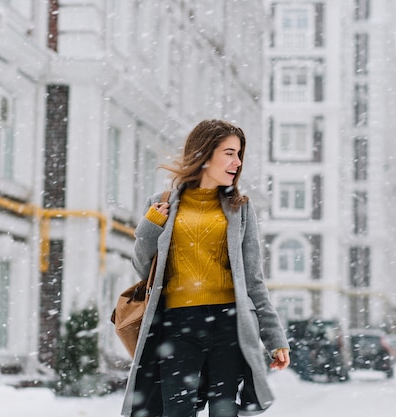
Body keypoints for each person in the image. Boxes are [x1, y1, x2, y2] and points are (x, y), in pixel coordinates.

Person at [121, 119, 290, 417]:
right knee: (176, 411)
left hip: (229, 324)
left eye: (239, 155)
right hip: (178, 325)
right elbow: (141, 268)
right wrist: (149, 228)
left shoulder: (240, 208)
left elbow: (253, 280)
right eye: (229, 153)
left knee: (224, 410)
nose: (237, 162)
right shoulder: (162, 205)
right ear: (205, 153)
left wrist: (274, 338)